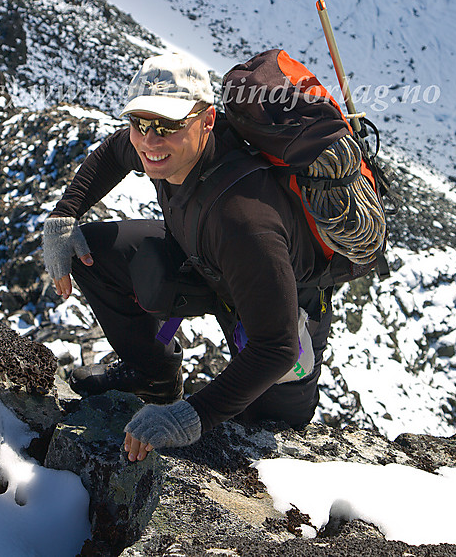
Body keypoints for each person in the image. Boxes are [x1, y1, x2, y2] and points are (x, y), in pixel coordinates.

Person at [43, 51, 333, 463]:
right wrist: (64, 216)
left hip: (276, 299)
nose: (149, 140)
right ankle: (152, 376)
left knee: (269, 430)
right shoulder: (159, 147)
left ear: (208, 121)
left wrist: (191, 417)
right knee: (91, 251)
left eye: (168, 125)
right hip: (206, 262)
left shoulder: (245, 220)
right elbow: (113, 152)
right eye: (139, 123)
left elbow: (276, 346)